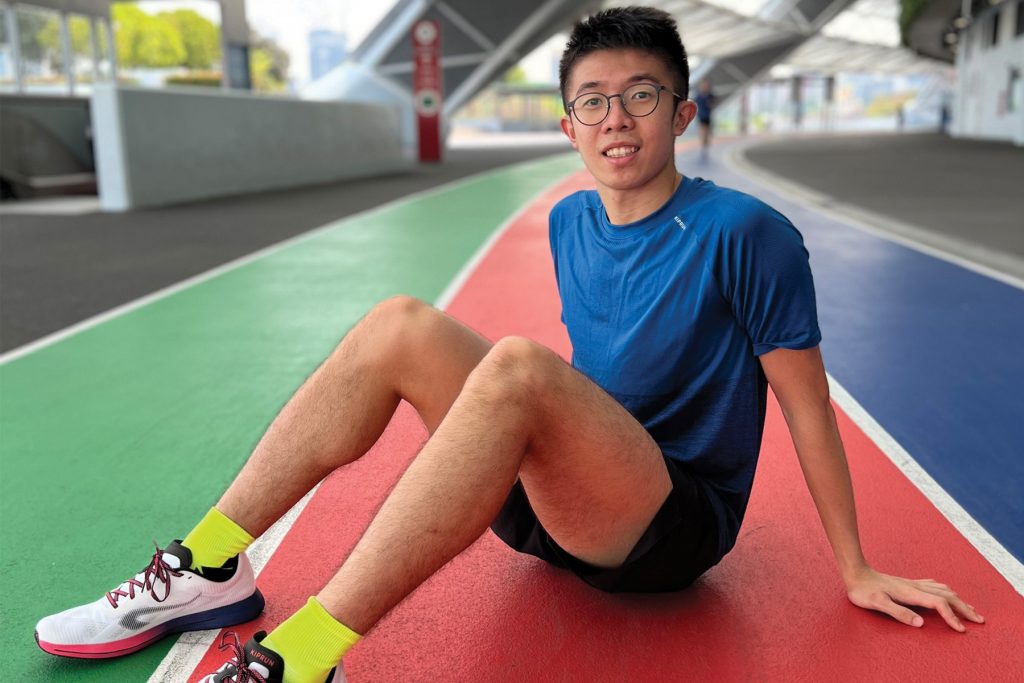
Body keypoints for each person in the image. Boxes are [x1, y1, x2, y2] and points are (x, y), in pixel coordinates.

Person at [34, 7, 983, 683]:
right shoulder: (571, 221)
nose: (617, 118)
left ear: (684, 113)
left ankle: (306, 655)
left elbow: (807, 405)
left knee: (522, 367)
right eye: (593, 101)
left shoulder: (748, 234)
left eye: (642, 94)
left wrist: (856, 566)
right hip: (558, 502)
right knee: (400, 322)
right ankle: (209, 568)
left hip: (664, 527)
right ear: (568, 126)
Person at [694, 78, 716, 160]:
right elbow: (695, 104)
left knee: (706, 134)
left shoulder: (710, 96)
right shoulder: (699, 96)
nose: (704, 87)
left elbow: (712, 104)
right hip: (701, 117)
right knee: (703, 132)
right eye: (703, 86)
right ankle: (703, 147)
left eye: (706, 86)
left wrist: (710, 103)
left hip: (708, 117)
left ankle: (705, 146)